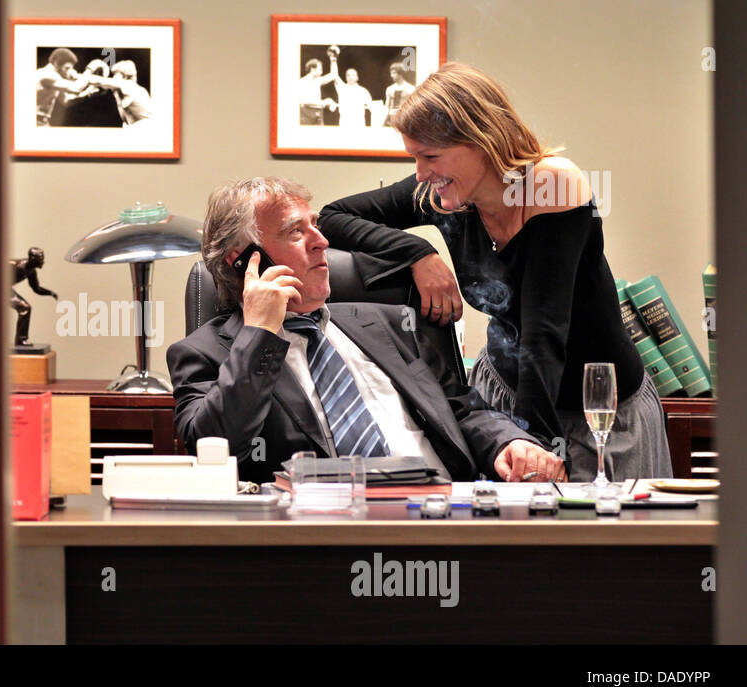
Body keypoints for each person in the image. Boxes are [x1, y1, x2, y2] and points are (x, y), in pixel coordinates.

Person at [316, 62, 671, 481]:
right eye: (414, 157)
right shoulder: (441, 194)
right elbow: (333, 216)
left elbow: (544, 334)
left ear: (481, 141)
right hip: (503, 394)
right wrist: (418, 253)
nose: (420, 173)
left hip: (597, 413)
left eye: (430, 156)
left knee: (598, 545)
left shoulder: (552, 186)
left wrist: (531, 445)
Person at [167, 176, 565, 484]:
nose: (321, 241)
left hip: (441, 514)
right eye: (295, 232)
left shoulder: (388, 323)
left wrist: (508, 442)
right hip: (323, 537)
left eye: (316, 226)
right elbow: (215, 447)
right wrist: (260, 335)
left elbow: (461, 409)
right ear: (245, 262)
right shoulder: (205, 353)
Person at [35, 48, 93, 126]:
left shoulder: (55, 79)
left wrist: (87, 93)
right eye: (67, 68)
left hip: (42, 122)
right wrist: (90, 69)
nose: (68, 72)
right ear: (55, 63)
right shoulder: (46, 75)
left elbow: (66, 101)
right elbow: (76, 88)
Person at [85, 60, 153, 126]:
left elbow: (97, 81)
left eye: (116, 74)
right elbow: (105, 86)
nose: (114, 77)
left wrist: (89, 69)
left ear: (125, 75)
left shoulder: (128, 84)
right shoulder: (125, 89)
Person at [297, 58, 339, 125]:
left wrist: (333, 60)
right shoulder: (302, 82)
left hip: (318, 113)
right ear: (312, 69)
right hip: (306, 114)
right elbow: (304, 101)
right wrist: (325, 102)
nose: (322, 71)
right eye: (320, 69)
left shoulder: (318, 81)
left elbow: (333, 75)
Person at [383, 62, 415, 127]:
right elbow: (387, 106)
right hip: (392, 119)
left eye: (394, 73)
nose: (392, 75)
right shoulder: (390, 89)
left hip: (405, 119)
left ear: (400, 74)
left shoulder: (410, 89)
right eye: (391, 73)